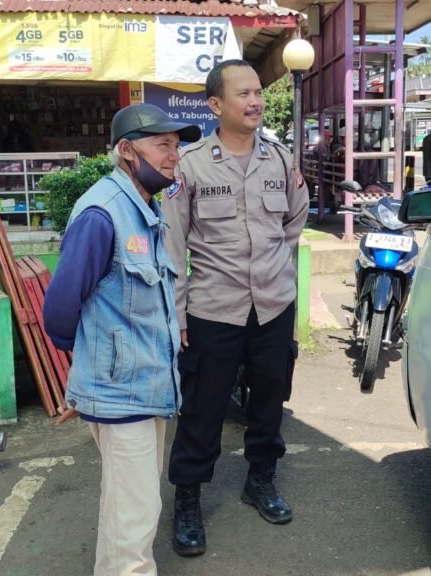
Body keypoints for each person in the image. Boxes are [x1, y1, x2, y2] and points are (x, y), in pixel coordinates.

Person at [42, 103, 201, 575]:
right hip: (119, 391)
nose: (174, 156)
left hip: (145, 388)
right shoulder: (102, 213)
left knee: (131, 511)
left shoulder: (144, 209)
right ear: (127, 151)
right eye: (162, 144)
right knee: (133, 519)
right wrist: (90, 375)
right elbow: (58, 312)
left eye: (177, 145)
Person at [162, 59, 309, 558]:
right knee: (203, 408)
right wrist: (178, 315)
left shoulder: (281, 159)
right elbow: (172, 246)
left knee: (270, 398)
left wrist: (273, 270)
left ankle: (260, 481)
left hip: (272, 306)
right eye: (243, 93)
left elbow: (294, 222)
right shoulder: (191, 165)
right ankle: (187, 500)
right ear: (215, 105)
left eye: (258, 93)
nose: (255, 101)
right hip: (213, 310)